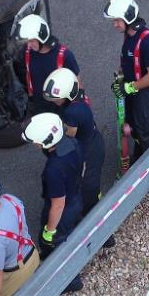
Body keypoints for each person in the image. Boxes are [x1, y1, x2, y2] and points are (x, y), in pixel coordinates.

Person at [23, 113, 85, 294]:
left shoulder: (53, 170)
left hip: (63, 210)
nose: (34, 144)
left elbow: (58, 204)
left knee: (57, 242)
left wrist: (49, 232)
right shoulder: (73, 143)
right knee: (70, 231)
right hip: (75, 198)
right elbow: (82, 168)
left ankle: (71, 281)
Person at [43, 68, 108, 219]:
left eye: (56, 98)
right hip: (93, 140)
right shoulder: (78, 99)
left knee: (88, 189)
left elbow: (69, 136)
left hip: (88, 152)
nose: (54, 101)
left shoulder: (71, 113)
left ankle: (98, 224)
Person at [104, 0, 149, 162]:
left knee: (146, 134)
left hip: (146, 97)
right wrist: (120, 81)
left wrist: (129, 88)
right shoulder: (129, 35)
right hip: (134, 91)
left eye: (117, 21)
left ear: (128, 18)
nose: (115, 25)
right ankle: (139, 159)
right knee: (135, 129)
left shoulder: (148, 41)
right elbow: (128, 63)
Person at [15, 14, 80, 118]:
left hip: (61, 109)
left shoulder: (65, 56)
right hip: (38, 107)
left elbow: (77, 83)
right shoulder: (27, 52)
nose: (28, 45)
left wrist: (78, 110)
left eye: (31, 41)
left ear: (42, 36)